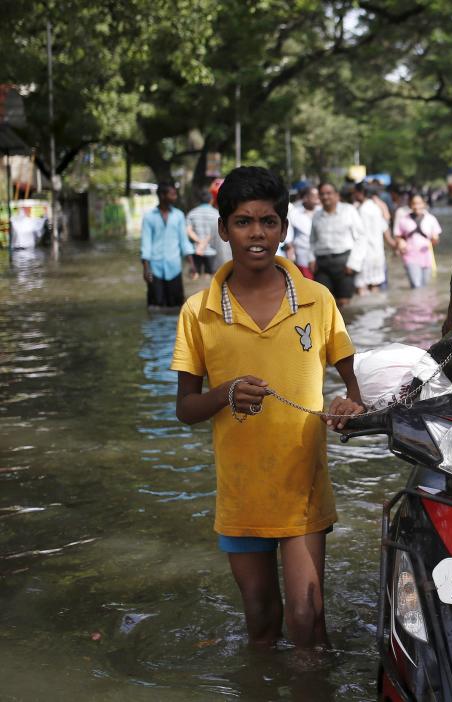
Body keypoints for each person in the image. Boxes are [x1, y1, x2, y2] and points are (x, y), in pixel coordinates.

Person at [170, 166, 364, 648]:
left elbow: (355, 387)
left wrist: (351, 405)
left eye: (269, 222)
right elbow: (186, 408)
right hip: (240, 492)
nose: (257, 233)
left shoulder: (317, 300)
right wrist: (225, 393)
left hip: (303, 487)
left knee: (308, 618)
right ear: (222, 229)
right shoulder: (199, 310)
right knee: (259, 618)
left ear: (284, 227)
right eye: (242, 221)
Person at [309, 182, 365, 308]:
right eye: (322, 194)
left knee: (343, 302)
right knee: (323, 301)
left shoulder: (349, 211)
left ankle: (346, 327)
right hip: (322, 263)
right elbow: (312, 240)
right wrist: (311, 259)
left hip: (343, 262)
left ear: (337, 195)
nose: (325, 197)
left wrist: (353, 263)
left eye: (329, 193)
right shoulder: (317, 215)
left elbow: (360, 238)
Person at [140, 182, 193, 308]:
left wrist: (192, 264)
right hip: (155, 269)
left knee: (177, 306)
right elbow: (145, 244)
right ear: (162, 196)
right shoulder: (149, 217)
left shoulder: (179, 215)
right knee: (155, 307)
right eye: (173, 194)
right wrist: (146, 269)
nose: (175, 197)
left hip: (174, 267)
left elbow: (184, 241)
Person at [392, 194, 441, 288]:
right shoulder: (403, 220)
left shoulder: (431, 219)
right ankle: (415, 302)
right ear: (410, 205)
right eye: (414, 204)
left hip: (427, 257)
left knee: (424, 286)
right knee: (416, 285)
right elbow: (398, 236)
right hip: (410, 256)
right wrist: (400, 242)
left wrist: (435, 239)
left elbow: (435, 241)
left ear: (424, 204)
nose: (416, 206)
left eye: (419, 203)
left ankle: (421, 302)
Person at [352, 183, 388, 293]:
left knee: (361, 285)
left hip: (364, 254)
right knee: (375, 285)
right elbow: (384, 228)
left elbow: (356, 233)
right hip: (378, 254)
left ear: (360, 193)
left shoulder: (361, 210)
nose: (353, 195)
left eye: (355, 192)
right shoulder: (376, 208)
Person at [287, 185, 319, 279]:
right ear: (305, 198)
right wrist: (290, 247)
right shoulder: (295, 213)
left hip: (320, 257)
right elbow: (289, 233)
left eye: (318, 196)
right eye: (314, 196)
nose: (317, 199)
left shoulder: (322, 212)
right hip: (303, 256)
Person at [186, 191, 219, 280]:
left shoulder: (192, 213)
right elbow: (216, 231)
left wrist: (200, 242)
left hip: (196, 250)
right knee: (214, 278)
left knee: (195, 277)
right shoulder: (216, 213)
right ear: (211, 200)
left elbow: (188, 231)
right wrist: (205, 243)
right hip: (212, 250)